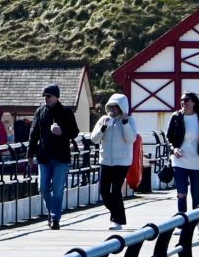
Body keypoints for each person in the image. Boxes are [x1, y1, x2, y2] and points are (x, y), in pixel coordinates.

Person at [31, 83, 80, 230]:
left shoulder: (66, 111)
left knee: (58, 189)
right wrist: (29, 154)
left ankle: (54, 218)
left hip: (61, 157)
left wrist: (62, 132)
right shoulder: (40, 111)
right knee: (43, 188)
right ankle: (52, 211)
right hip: (44, 156)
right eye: (44, 96)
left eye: (48, 96)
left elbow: (75, 132)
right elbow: (33, 134)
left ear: (56, 97)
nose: (46, 98)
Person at [92, 95, 141, 227]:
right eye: (111, 107)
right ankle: (117, 214)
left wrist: (124, 123)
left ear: (122, 108)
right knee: (103, 190)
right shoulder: (103, 120)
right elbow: (94, 139)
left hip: (122, 161)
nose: (113, 110)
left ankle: (116, 219)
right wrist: (104, 127)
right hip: (106, 160)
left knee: (116, 189)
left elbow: (131, 139)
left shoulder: (130, 120)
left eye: (116, 107)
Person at [170, 95, 199, 209]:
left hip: (197, 160)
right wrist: (174, 148)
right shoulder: (176, 117)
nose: (184, 102)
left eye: (187, 100)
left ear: (194, 102)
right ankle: (182, 220)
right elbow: (169, 137)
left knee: (196, 194)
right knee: (181, 193)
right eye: (182, 100)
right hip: (180, 160)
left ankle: (195, 220)